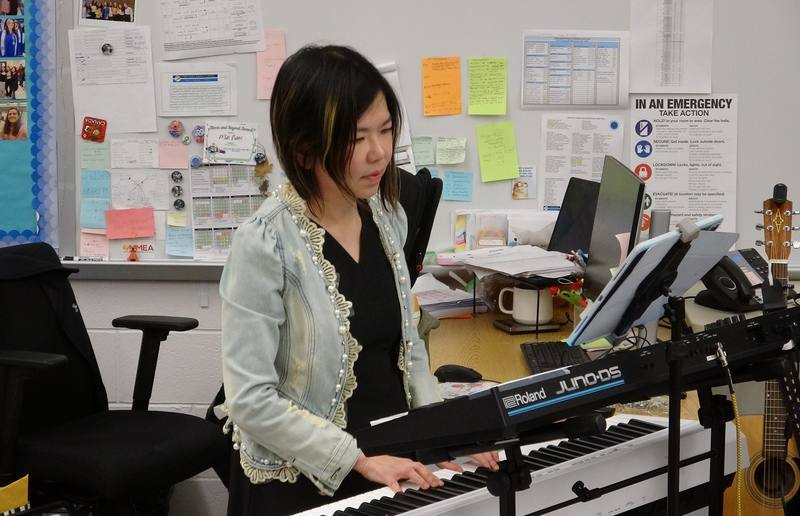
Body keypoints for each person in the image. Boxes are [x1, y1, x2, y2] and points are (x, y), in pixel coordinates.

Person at [220, 45, 499, 516]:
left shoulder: (386, 217)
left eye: (386, 130)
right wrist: (358, 460)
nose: (379, 152)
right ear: (305, 148)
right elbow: (249, 401)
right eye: (357, 137)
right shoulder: (263, 243)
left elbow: (409, 348)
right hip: (306, 476)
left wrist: (447, 432)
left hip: (389, 458)